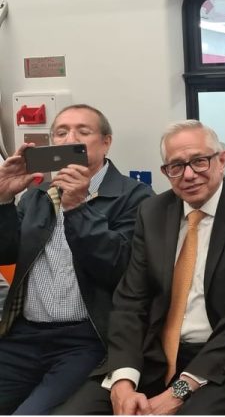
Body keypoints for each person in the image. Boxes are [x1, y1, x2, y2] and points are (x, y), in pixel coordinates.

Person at [56, 120, 225, 414]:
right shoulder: (153, 212)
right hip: (153, 355)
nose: (189, 175)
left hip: (220, 361)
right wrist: (123, 379)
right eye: (176, 166)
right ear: (166, 171)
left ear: (222, 160)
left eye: (199, 161)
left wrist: (179, 391)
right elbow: (131, 300)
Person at [0, 104, 154, 414]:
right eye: (61, 132)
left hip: (86, 340)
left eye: (83, 132)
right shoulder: (36, 194)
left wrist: (77, 208)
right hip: (23, 334)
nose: (70, 137)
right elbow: (5, 253)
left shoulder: (135, 196)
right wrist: (3, 200)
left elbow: (118, 268)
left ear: (106, 142)